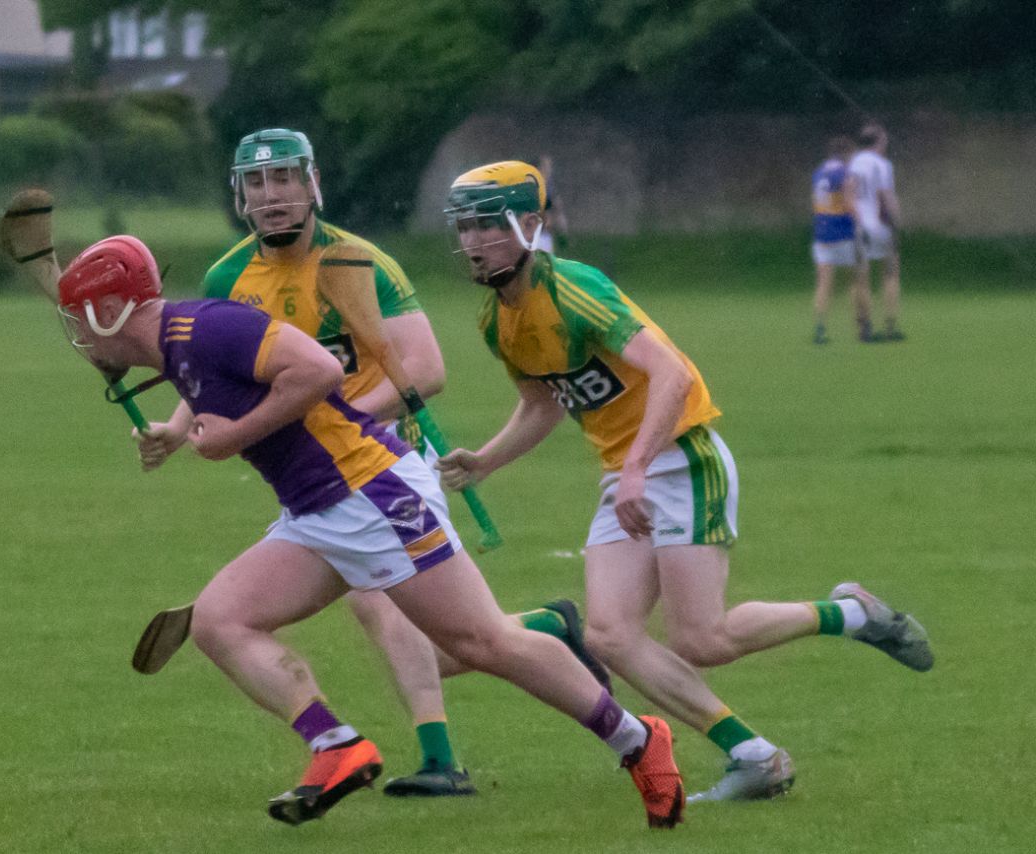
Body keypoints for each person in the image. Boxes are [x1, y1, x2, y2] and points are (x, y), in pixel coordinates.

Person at [54, 234, 686, 828]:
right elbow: (219, 390)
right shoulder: (180, 345)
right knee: (221, 620)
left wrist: (231, 439)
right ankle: (337, 748)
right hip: (316, 511)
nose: (77, 336)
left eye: (80, 319)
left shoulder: (207, 326)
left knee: (484, 642)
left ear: (110, 309)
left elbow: (319, 371)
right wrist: (178, 431)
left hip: (372, 492)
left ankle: (638, 740)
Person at [436, 161, 934, 803]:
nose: (474, 241)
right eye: (466, 226)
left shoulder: (575, 290)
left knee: (703, 639)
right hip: (629, 473)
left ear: (530, 225)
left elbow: (671, 373)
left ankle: (851, 613)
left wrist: (638, 466)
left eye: (489, 226)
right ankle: (754, 756)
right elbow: (544, 403)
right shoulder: (495, 320)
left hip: (681, 456)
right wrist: (486, 460)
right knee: (610, 635)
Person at [202, 128, 611, 797]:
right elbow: (224, 378)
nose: (271, 196)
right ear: (240, 196)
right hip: (309, 474)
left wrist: (342, 418)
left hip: (384, 464)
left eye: (284, 180)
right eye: (256, 183)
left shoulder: (361, 262)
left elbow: (424, 368)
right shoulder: (227, 278)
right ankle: (541, 630)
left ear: (311, 184)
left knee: (385, 609)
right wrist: (182, 423)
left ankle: (441, 761)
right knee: (448, 635)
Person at [810, 135, 872, 343]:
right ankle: (863, 326)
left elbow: (816, 202)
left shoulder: (819, 173)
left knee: (824, 282)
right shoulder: (845, 174)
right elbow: (849, 203)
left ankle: (820, 327)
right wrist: (861, 225)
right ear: (847, 153)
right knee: (857, 279)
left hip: (822, 233)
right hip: (843, 233)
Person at [848, 123, 904, 341]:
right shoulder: (882, 164)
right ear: (878, 142)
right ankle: (890, 326)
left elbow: (849, 194)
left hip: (860, 226)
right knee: (890, 273)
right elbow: (886, 196)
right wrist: (897, 219)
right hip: (880, 226)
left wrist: (856, 219)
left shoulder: (853, 164)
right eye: (884, 140)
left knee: (860, 278)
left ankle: (864, 328)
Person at [534, 154, 570, 255]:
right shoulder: (532, 187)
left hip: (544, 235)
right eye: (545, 166)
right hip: (533, 235)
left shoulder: (549, 189)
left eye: (549, 167)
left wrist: (562, 232)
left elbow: (557, 210)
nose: (548, 170)